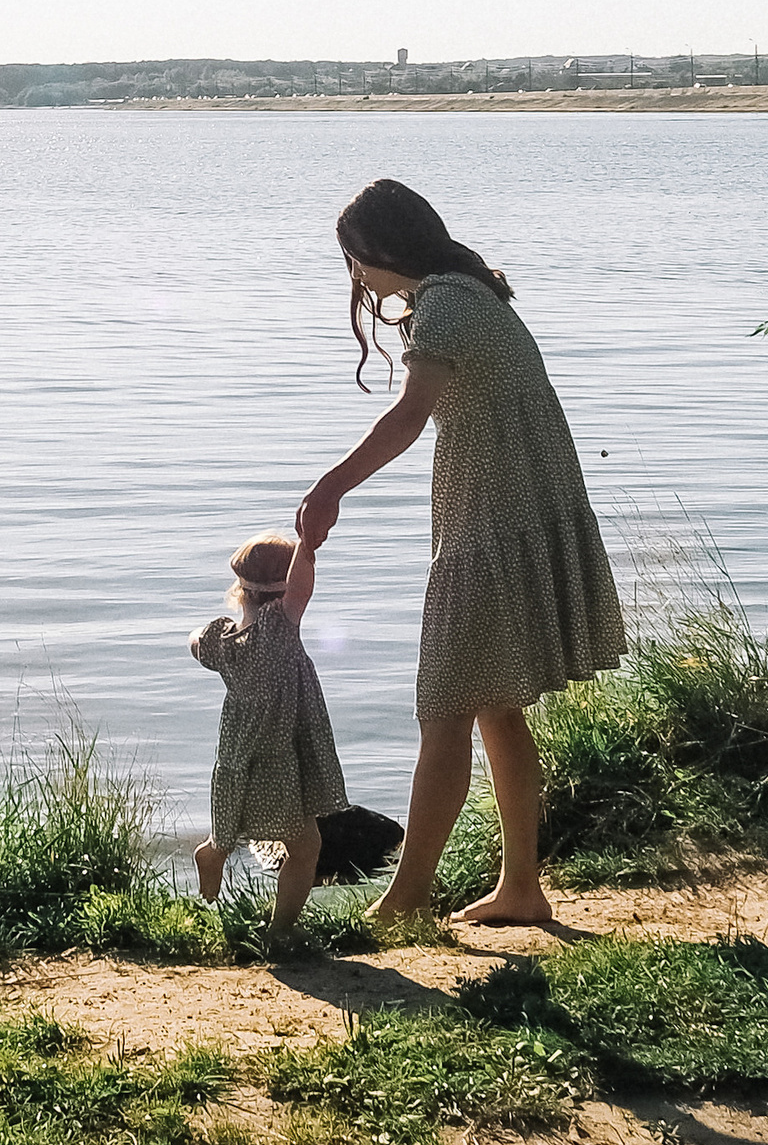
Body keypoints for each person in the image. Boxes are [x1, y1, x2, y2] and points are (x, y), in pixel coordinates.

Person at [297, 176, 624, 928]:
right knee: (496, 709)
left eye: (353, 261)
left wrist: (331, 486)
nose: (355, 279)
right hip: (514, 518)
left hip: (491, 530)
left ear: (376, 250)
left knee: (445, 706)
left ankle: (406, 901)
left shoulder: (445, 303)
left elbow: (409, 415)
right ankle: (521, 888)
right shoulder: (473, 293)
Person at [189, 521, 348, 934]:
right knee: (306, 847)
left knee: (241, 822)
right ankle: (280, 933)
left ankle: (216, 851)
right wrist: (308, 548)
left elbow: (195, 644)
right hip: (278, 756)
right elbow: (303, 589)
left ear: (239, 591)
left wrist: (202, 636)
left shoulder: (222, 641)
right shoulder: (279, 629)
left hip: (240, 755)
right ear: (282, 594)